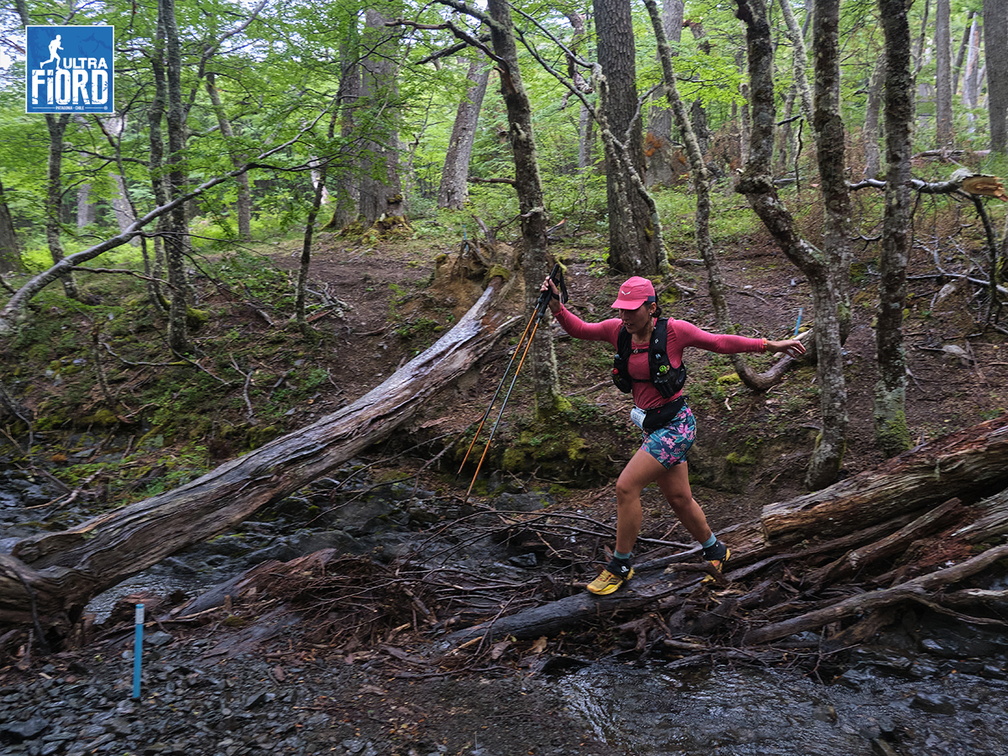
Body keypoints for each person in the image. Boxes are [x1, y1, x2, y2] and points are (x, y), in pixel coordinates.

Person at [541, 274, 806, 595]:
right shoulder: (618, 331)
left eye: (631, 310)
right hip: (653, 427)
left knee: (626, 487)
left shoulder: (675, 332)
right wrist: (556, 304)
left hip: (676, 427)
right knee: (679, 498)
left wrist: (770, 345)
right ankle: (716, 551)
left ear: (651, 308)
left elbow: (719, 342)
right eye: (620, 309)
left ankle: (620, 565)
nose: (624, 316)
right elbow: (580, 329)